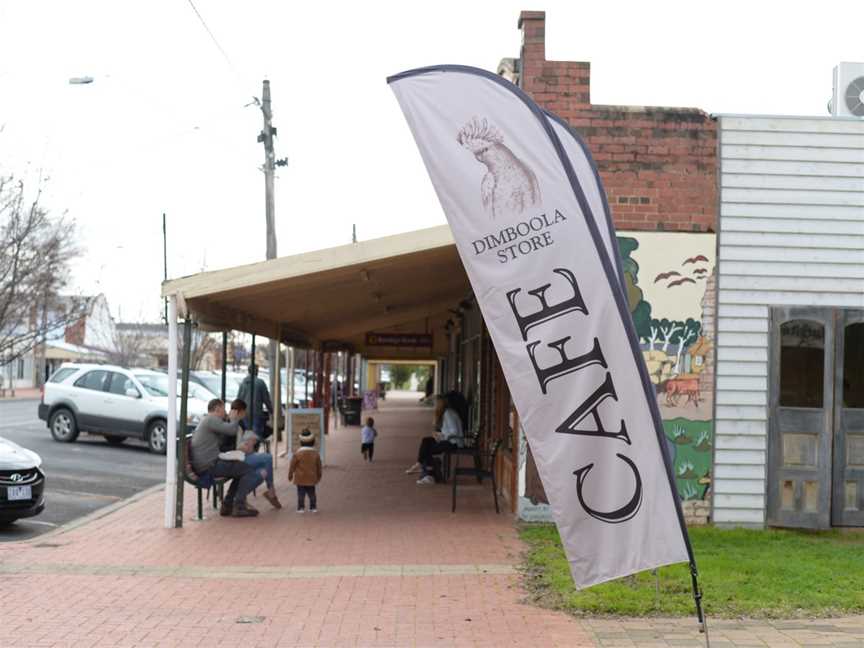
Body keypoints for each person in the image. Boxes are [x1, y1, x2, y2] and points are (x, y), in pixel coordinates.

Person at [190, 398, 262, 517]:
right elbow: (231, 430)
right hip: (210, 465)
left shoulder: (207, 420)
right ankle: (238, 506)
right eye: (224, 409)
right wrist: (235, 419)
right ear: (217, 409)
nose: (226, 412)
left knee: (241, 469)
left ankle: (228, 504)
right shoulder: (211, 420)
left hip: (206, 463)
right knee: (248, 470)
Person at [233, 399, 282, 510]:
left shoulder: (239, 423)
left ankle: (240, 497)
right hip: (239, 457)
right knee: (268, 458)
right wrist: (247, 446)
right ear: (240, 412)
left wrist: (249, 442)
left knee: (263, 471)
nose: (245, 414)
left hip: (243, 455)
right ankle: (271, 491)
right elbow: (235, 447)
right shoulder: (233, 424)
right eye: (244, 412)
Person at [406, 393, 464, 485]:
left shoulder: (448, 413)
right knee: (426, 441)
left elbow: (454, 432)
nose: (435, 405)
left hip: (454, 443)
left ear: (441, 403)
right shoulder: (446, 412)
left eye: (436, 403)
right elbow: (449, 431)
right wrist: (439, 435)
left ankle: (429, 475)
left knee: (428, 449)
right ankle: (421, 465)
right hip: (449, 440)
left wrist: (441, 436)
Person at [288, 428, 322, 513]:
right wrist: (319, 475)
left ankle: (301, 508)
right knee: (312, 494)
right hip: (311, 477)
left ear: (301, 442)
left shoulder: (297, 454)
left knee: (300, 494)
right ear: (313, 442)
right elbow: (319, 466)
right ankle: (313, 507)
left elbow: (292, 466)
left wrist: (290, 475)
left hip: (300, 478)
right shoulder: (316, 454)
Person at [236, 363, 273, 439]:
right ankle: (255, 449)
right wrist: (271, 411)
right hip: (256, 412)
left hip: (244, 413)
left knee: (247, 433)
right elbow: (266, 399)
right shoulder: (260, 382)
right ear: (257, 371)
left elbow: (239, 398)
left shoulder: (243, 383)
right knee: (256, 434)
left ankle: (248, 448)